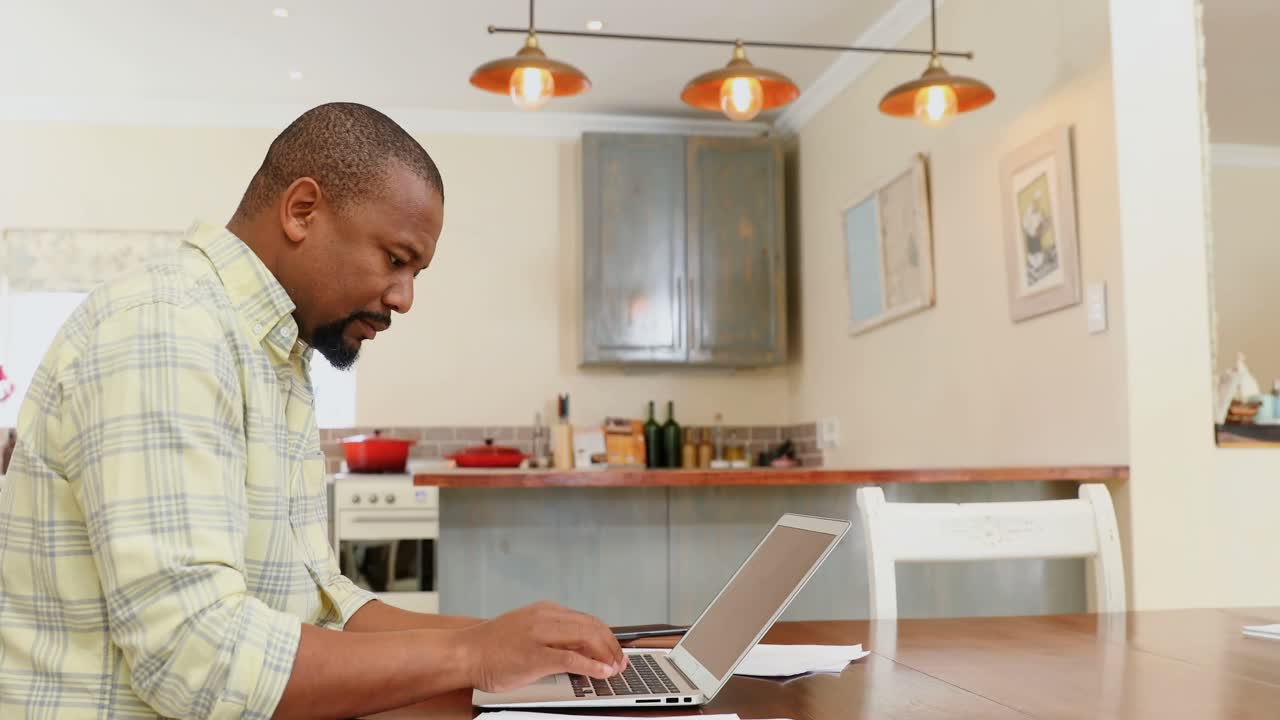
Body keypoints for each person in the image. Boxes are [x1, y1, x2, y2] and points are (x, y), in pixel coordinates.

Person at [0, 102, 625, 720]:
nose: (404, 298)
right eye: (396, 259)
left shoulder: (276, 354)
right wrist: (470, 655)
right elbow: (198, 658)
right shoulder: (167, 328)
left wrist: (517, 644)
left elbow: (319, 604)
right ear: (303, 211)